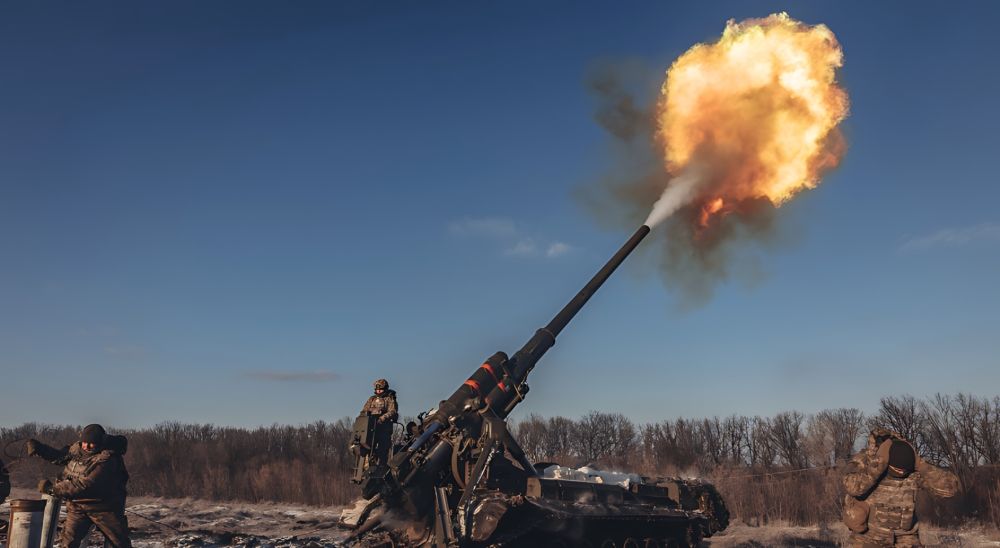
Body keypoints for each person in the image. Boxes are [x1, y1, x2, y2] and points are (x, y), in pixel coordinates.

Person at [842, 428, 960, 547]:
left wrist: (922, 466)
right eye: (896, 470)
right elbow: (853, 487)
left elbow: (950, 488)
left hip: (905, 538)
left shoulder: (911, 469)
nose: (902, 473)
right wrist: (878, 464)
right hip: (867, 538)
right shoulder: (864, 461)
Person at [27, 424, 132, 548]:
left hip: (105, 508)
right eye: (84, 442)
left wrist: (51, 489)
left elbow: (84, 485)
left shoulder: (108, 459)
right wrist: (40, 449)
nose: (86, 446)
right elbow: (60, 457)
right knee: (68, 543)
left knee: (119, 544)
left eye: (91, 443)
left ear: (100, 442)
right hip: (77, 506)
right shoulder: (77, 449)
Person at [359, 378, 398, 466]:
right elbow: (364, 411)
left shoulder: (389, 398)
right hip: (371, 429)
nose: (378, 391)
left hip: (384, 429)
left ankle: (381, 468)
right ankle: (366, 469)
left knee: (383, 451)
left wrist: (382, 418)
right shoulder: (371, 399)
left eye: (380, 389)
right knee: (367, 449)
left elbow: (393, 411)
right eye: (377, 389)